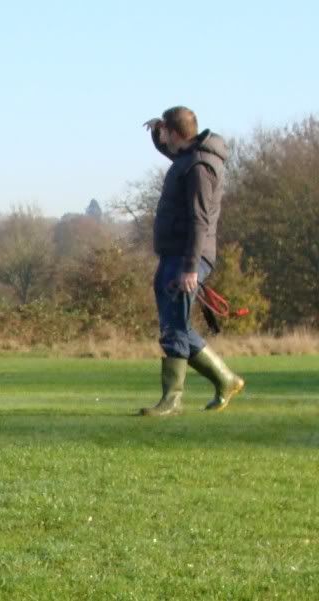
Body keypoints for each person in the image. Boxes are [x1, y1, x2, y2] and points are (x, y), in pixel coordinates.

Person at [140, 106, 244, 416]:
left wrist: (189, 268)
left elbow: (199, 220)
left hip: (188, 257)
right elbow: (174, 152)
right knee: (176, 326)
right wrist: (157, 139)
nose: (165, 142)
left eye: (166, 136)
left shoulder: (199, 166)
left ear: (175, 133)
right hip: (176, 255)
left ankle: (172, 400)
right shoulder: (190, 158)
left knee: (175, 326)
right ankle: (226, 379)